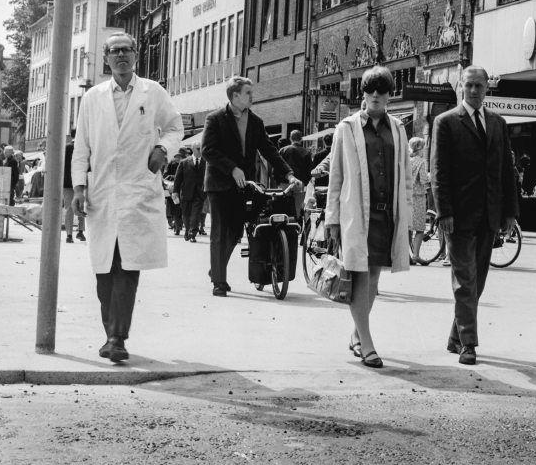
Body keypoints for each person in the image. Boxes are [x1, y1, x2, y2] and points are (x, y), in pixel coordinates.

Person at [71, 32, 183, 363]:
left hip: (137, 192)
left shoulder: (153, 92)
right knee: (104, 269)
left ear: (136, 55)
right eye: (114, 51)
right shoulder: (93, 97)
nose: (121, 55)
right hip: (103, 193)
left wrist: (163, 149)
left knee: (128, 265)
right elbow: (82, 147)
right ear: (105, 58)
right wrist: (78, 187)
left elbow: (176, 127)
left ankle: (117, 337)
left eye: (126, 50)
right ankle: (111, 333)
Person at [430, 64, 519, 366]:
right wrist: (444, 213)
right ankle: (469, 344)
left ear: (486, 88)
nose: (473, 91)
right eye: (468, 85)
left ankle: (456, 336)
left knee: (477, 281)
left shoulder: (497, 123)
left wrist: (510, 212)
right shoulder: (446, 122)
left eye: (479, 86)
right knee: (465, 280)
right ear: (460, 88)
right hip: (458, 215)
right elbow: (439, 173)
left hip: (489, 215)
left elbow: (507, 171)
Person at [324, 67, 412, 369]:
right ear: (363, 94)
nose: (376, 95)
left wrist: (409, 214)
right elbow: (336, 175)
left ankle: (357, 333)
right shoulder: (346, 128)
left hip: (387, 215)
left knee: (373, 278)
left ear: (390, 95)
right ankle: (367, 344)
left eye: (382, 90)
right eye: (370, 90)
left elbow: (406, 176)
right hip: (357, 213)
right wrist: (331, 217)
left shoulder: (398, 129)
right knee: (360, 276)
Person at [201, 77, 301, 297]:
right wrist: (232, 168)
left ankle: (216, 268)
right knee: (219, 232)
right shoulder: (215, 119)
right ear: (235, 96)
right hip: (219, 184)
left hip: (244, 185)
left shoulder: (255, 121)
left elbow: (269, 150)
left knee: (236, 231)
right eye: (248, 93)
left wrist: (289, 174)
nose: (251, 96)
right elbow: (207, 150)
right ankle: (219, 281)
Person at [173, 145, 206, 241]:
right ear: (193, 149)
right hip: (186, 192)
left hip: (200, 194)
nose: (200, 150)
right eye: (198, 148)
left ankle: (193, 233)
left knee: (195, 214)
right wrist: (175, 191)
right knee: (186, 214)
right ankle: (187, 230)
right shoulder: (184, 162)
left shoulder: (206, 162)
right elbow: (178, 178)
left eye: (201, 148)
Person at [407, 135, 430, 264]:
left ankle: (407, 255)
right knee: (420, 229)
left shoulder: (407, 160)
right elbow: (423, 180)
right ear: (420, 148)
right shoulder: (421, 162)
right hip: (419, 198)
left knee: (408, 228)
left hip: (407, 197)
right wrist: (431, 177)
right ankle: (416, 255)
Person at [62, 129, 85, 243]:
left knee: (69, 208)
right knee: (81, 205)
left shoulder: (66, 148)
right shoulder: (83, 148)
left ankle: (69, 234)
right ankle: (80, 231)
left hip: (67, 183)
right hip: (80, 182)